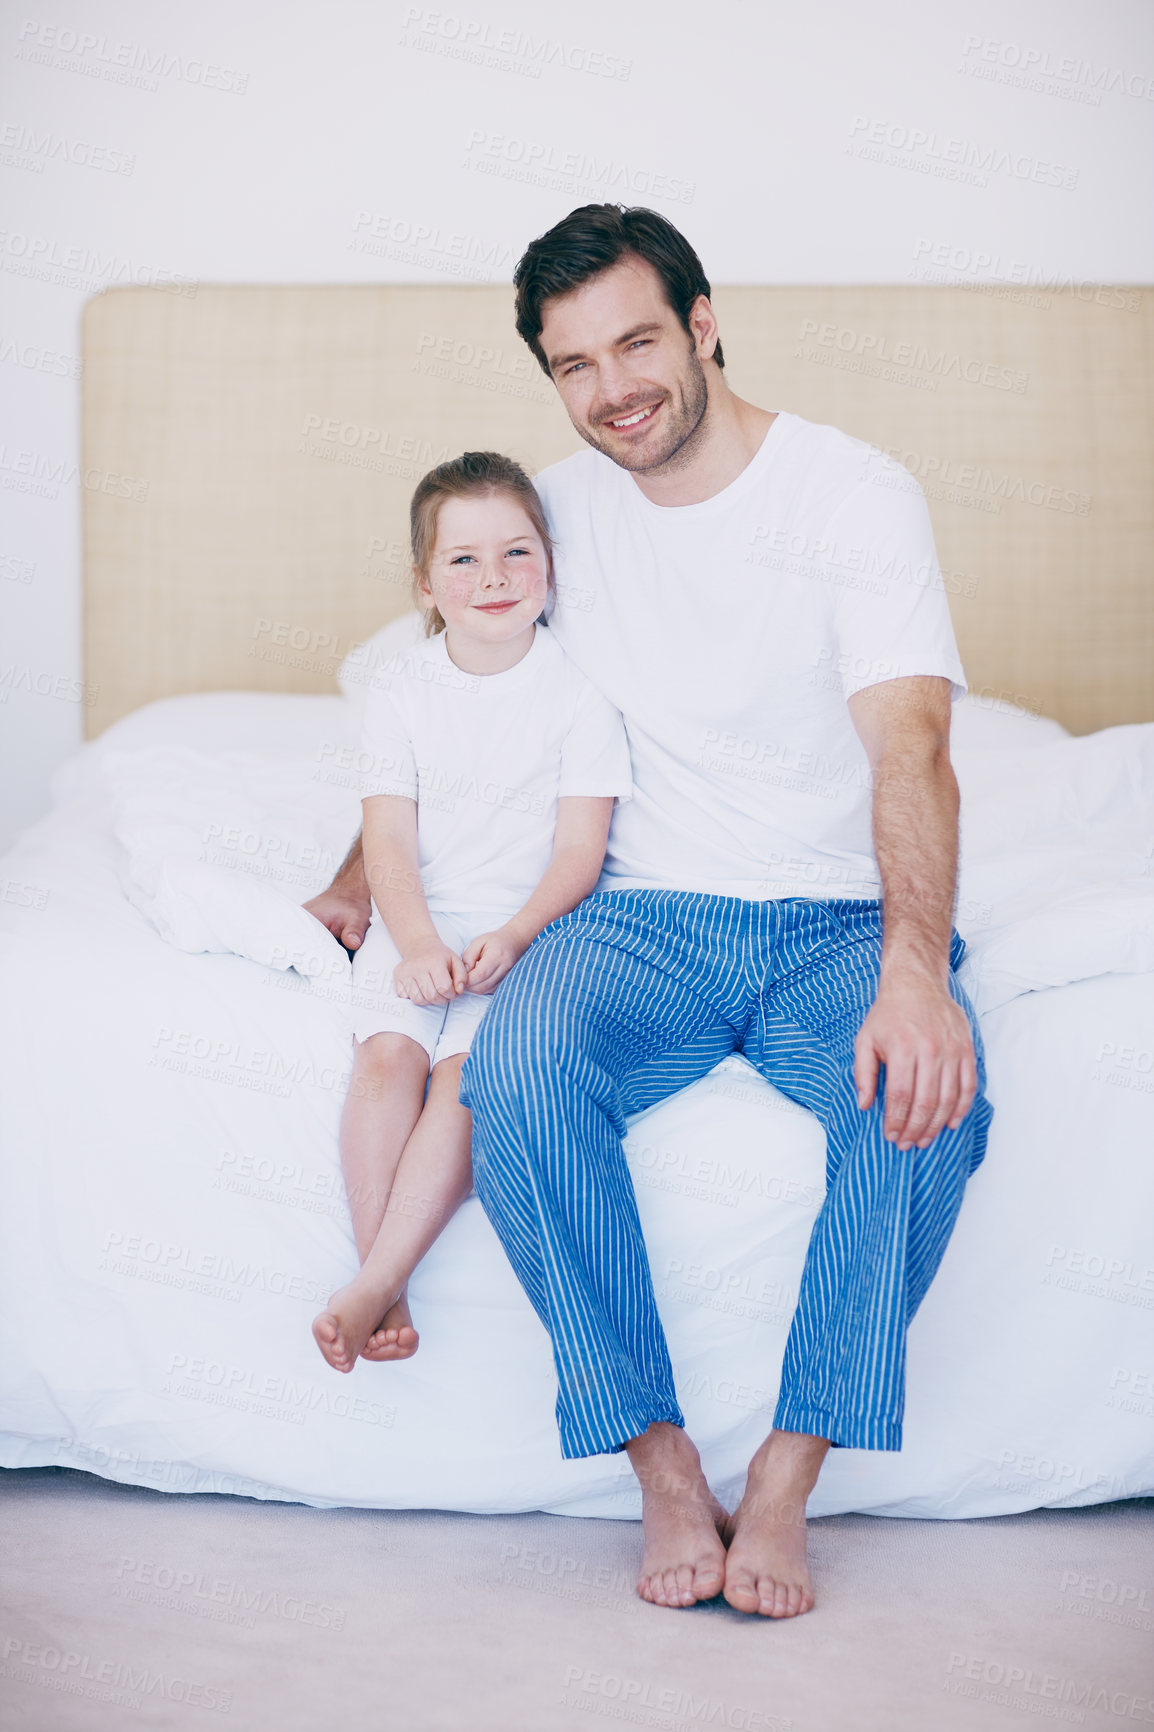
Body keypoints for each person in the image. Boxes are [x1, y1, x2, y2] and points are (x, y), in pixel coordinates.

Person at [306, 205, 992, 1619]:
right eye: (573, 363)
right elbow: (446, 693)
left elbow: (912, 745)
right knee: (516, 1068)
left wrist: (913, 971)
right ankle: (659, 1458)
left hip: (833, 920)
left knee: (928, 1099)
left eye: (635, 340)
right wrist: (352, 876)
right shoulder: (555, 511)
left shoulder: (851, 497)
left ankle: (793, 1469)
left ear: (701, 321)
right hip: (640, 919)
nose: (614, 385)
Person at [310, 450, 631, 1374]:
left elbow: (581, 853)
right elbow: (388, 842)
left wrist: (517, 935)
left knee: (464, 1085)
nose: (493, 578)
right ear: (425, 583)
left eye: (516, 553)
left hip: (525, 930)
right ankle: (387, 1281)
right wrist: (413, 944)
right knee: (385, 1062)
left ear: (551, 566)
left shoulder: (578, 696)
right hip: (423, 914)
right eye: (463, 560)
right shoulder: (403, 691)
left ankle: (373, 1283)